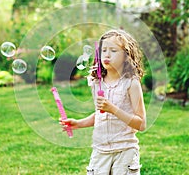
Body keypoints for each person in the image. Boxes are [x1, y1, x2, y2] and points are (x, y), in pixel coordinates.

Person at [61, 29, 146, 175]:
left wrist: (113, 109)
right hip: (100, 151)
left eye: (113, 50)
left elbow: (141, 124)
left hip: (124, 150)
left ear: (126, 56)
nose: (107, 54)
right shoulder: (96, 83)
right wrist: (79, 123)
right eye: (104, 50)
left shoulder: (131, 83)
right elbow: (101, 114)